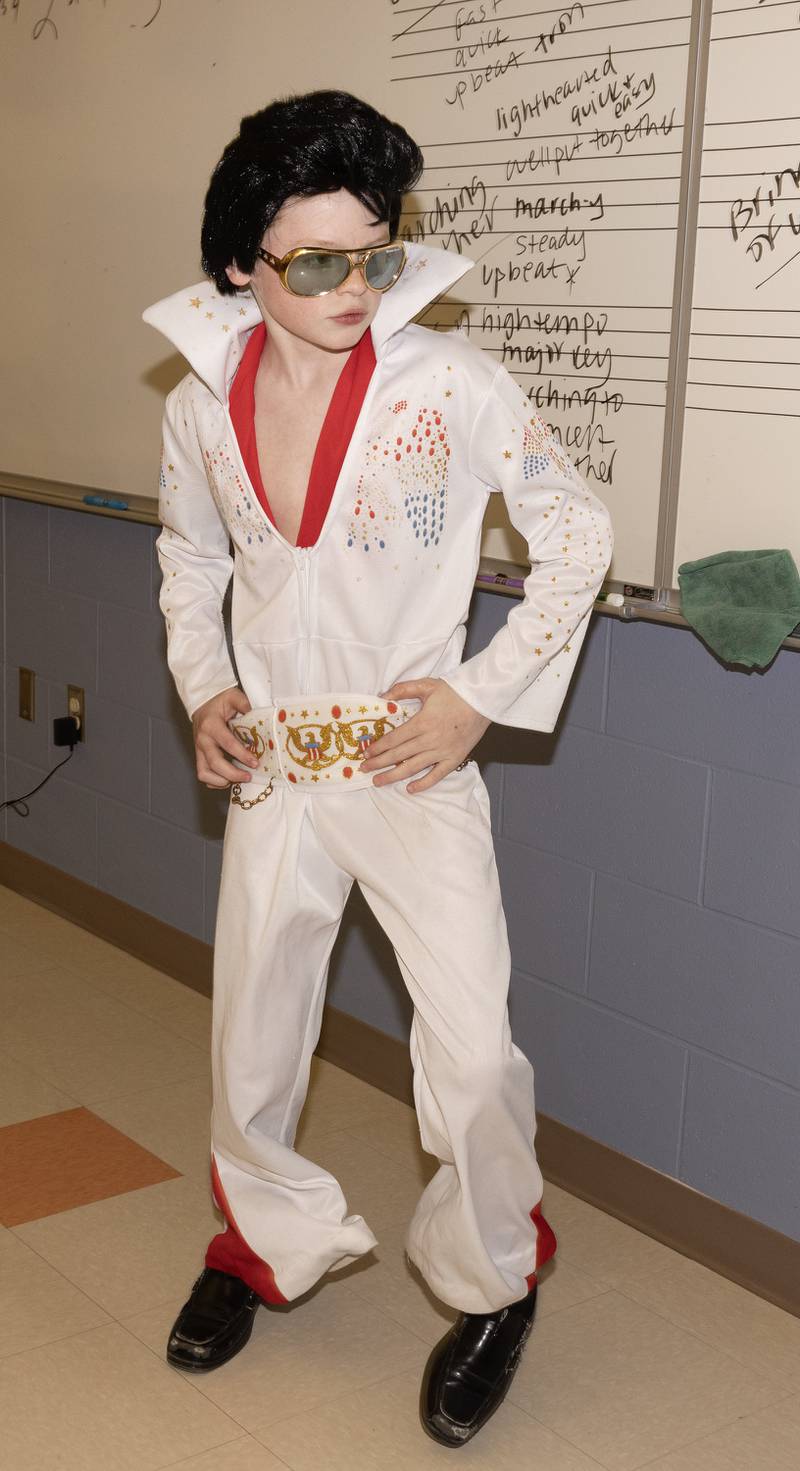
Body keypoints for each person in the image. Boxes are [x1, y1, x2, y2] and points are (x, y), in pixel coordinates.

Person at [143, 89, 613, 1448]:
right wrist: (207, 687)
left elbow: (573, 531)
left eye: (378, 253)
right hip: (275, 773)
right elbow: (190, 560)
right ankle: (255, 1253)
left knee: (470, 1056)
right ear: (242, 263)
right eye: (317, 262)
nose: (356, 286)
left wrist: (475, 697)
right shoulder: (196, 408)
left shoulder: (450, 385)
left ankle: (496, 1277)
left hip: (413, 768)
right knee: (252, 1046)